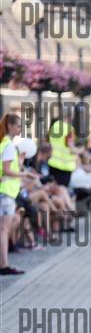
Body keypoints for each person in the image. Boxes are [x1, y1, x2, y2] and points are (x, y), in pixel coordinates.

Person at [0, 114, 34, 275]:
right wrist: (24, 174)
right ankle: (4, 265)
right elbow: (6, 170)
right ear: (10, 126)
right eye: (18, 126)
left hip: (6, 191)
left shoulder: (4, 143)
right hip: (6, 192)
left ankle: (4, 263)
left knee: (5, 227)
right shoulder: (8, 145)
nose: (20, 129)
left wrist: (19, 163)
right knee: (4, 229)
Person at [47, 111, 81, 188]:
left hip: (53, 162)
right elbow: (71, 148)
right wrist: (80, 150)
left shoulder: (55, 125)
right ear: (70, 116)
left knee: (51, 188)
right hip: (65, 166)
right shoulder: (69, 129)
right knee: (61, 190)